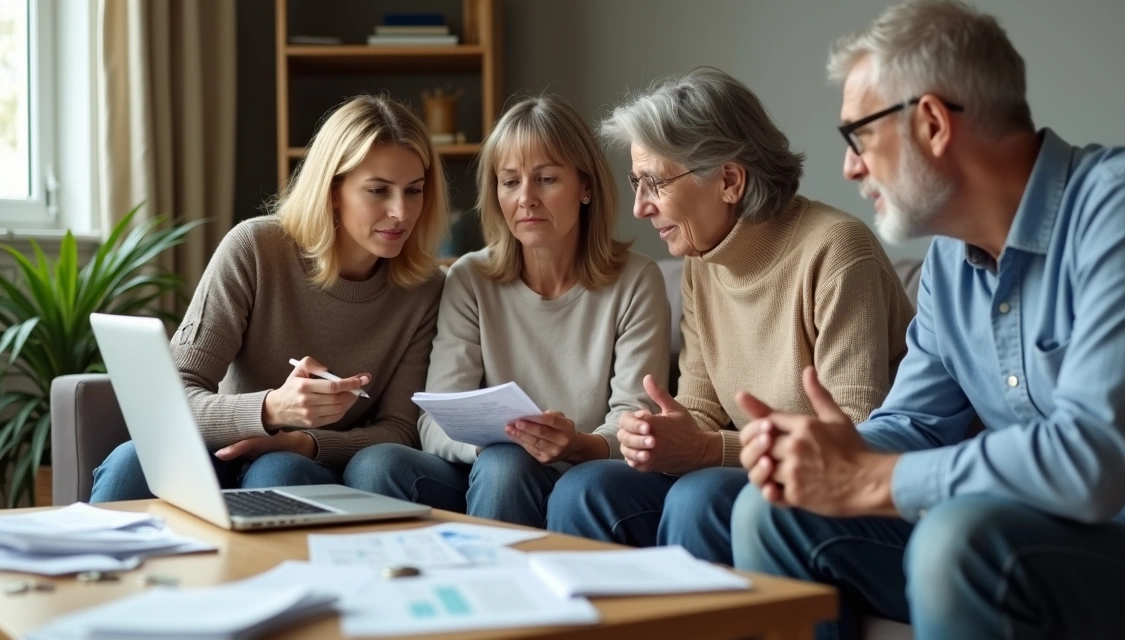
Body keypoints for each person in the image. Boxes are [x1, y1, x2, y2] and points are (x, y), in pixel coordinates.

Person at [730, 2, 1125, 639]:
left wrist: (874, 477)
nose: (849, 166)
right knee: (769, 513)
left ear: (932, 123)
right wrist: (835, 451)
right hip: (1030, 532)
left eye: (859, 137)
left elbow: (1094, 459)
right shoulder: (947, 265)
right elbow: (915, 424)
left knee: (960, 539)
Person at [546, 67, 914, 564]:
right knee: (584, 489)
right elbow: (701, 411)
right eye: (636, 183)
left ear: (730, 180)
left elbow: (851, 432)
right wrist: (661, 434)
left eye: (653, 184)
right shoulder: (702, 263)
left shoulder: (836, 251)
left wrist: (702, 450)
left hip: (848, 489)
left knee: (699, 498)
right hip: (756, 473)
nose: (638, 208)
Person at [89, 94, 448, 502]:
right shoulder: (255, 249)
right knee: (131, 463)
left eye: (414, 191)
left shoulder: (424, 289)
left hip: (310, 463)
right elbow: (171, 399)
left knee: (281, 468)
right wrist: (272, 410)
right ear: (333, 190)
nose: (401, 211)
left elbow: (399, 429)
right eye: (378, 190)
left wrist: (304, 442)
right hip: (218, 446)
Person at [345, 95, 670, 528]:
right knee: (377, 465)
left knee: (509, 467)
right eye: (510, 181)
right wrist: (498, 441)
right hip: (486, 469)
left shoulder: (636, 280)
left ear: (586, 186)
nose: (526, 199)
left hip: (585, 472)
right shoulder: (469, 278)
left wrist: (575, 443)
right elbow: (436, 418)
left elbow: (634, 419)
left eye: (547, 179)